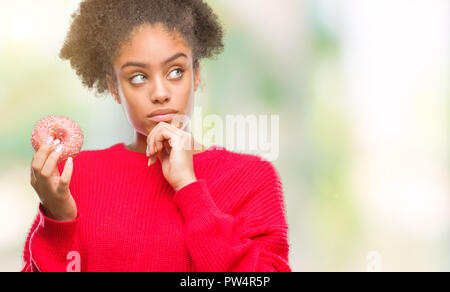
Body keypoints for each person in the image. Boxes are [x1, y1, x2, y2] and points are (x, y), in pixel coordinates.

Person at [22, 0, 291, 272]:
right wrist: (59, 221)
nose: (160, 93)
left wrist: (188, 187)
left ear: (196, 75)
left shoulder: (252, 177)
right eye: (138, 77)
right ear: (114, 87)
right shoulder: (73, 177)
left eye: (176, 71)